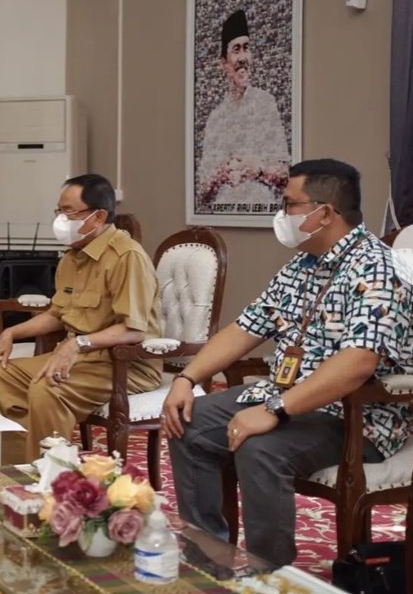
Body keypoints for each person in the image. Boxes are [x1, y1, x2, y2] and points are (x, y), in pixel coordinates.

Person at [162, 158, 413, 567]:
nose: (281, 214)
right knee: (187, 421)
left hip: (355, 415)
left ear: (324, 213)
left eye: (289, 204)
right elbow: (244, 328)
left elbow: (358, 362)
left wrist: (275, 410)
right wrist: (186, 379)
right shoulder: (302, 264)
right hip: (287, 396)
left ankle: (268, 575)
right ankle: (208, 561)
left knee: (261, 448)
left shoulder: (377, 268)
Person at [0, 173, 163, 464]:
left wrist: (77, 344)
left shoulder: (126, 257)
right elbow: (58, 314)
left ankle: (51, 474)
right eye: (59, 211)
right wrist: (11, 333)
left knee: (47, 389)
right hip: (80, 359)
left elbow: (133, 331)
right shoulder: (71, 257)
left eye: (69, 212)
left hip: (125, 365)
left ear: (98, 216)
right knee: (0, 376)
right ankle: (16, 468)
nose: (61, 220)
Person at [196, 9, 291, 211]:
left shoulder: (265, 104)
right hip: (223, 211)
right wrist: (221, 173)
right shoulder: (216, 118)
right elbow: (203, 189)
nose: (242, 58)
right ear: (224, 63)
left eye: (246, 48)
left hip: (261, 207)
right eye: (236, 50)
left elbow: (284, 174)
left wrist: (256, 168)